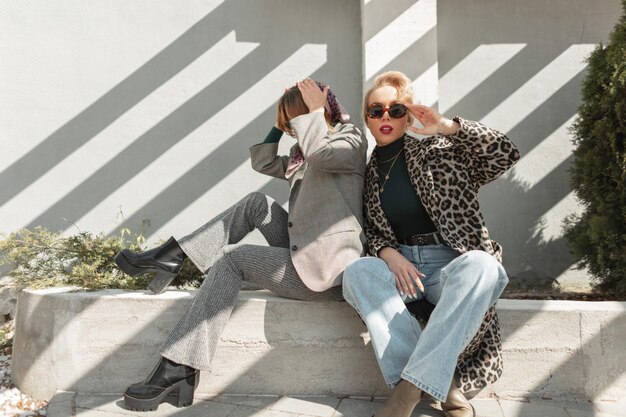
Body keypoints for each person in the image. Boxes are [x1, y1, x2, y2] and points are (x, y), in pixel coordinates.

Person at [114, 79, 367, 411]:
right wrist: (279, 126)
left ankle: (180, 367)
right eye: (290, 122)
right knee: (256, 203)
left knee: (235, 259)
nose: (294, 128)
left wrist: (317, 110)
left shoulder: (350, 141)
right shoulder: (302, 151)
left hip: (327, 271)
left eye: (296, 118)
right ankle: (173, 255)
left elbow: (321, 154)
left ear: (317, 111)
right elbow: (262, 163)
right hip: (302, 247)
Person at [341, 71, 520, 417]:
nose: (385, 118)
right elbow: (374, 232)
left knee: (485, 267)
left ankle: (408, 393)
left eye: (395, 110)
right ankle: (445, 382)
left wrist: (447, 127)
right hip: (402, 269)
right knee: (358, 272)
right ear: (366, 117)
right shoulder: (366, 173)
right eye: (376, 111)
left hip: (449, 265)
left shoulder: (438, 151)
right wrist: (387, 253)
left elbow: (504, 154)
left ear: (407, 113)